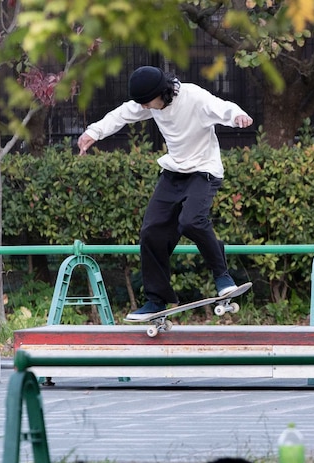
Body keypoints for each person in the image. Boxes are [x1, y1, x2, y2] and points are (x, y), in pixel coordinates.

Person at [77, 65, 253, 320]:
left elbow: (222, 106)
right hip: (173, 172)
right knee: (151, 232)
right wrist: (93, 132)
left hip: (204, 171)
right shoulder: (149, 103)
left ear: (163, 92)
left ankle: (223, 276)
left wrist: (238, 116)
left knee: (191, 220)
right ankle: (156, 300)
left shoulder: (193, 97)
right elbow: (121, 114)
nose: (146, 108)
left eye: (149, 103)